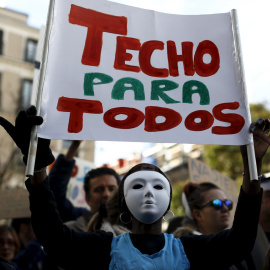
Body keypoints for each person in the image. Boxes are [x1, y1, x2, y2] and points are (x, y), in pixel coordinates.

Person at [0, 106, 269, 269]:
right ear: (125, 202)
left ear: (169, 205)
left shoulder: (188, 250)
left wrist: (252, 166)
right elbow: (54, 240)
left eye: (158, 186)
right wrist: (36, 166)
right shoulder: (105, 248)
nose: (149, 192)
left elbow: (240, 241)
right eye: (138, 185)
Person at [49, 141, 121, 232]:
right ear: (87, 198)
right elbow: (54, 194)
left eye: (112, 189)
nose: (106, 194)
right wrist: (75, 145)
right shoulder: (73, 229)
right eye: (99, 190)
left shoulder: (135, 226)